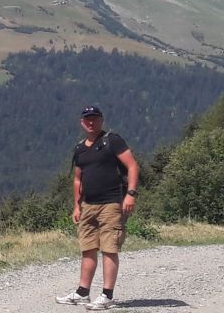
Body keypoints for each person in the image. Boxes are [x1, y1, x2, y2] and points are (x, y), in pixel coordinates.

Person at [55, 105, 139, 310]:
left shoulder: (112, 140)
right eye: (87, 119)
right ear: (82, 122)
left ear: (101, 120)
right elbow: (77, 180)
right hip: (88, 205)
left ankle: (107, 295)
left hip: (111, 203)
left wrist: (130, 194)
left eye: (94, 118)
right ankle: (82, 292)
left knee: (109, 249)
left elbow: (132, 166)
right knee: (88, 248)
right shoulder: (80, 148)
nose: (90, 122)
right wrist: (76, 206)